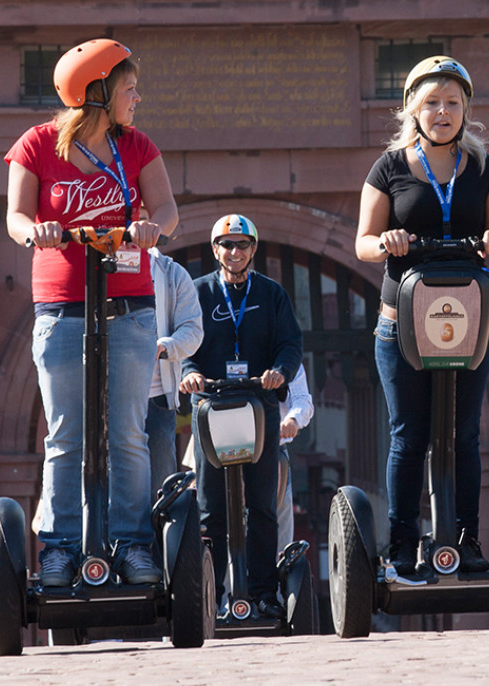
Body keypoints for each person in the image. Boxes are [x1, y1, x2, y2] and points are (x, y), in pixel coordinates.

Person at [5, 39, 179, 587]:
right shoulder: (36, 146)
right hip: (61, 307)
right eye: (128, 88)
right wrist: (37, 229)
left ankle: (132, 546)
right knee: (65, 433)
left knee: (128, 431)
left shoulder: (138, 146)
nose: (137, 97)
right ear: (97, 92)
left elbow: (168, 210)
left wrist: (155, 226)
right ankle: (58, 547)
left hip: (128, 305)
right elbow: (14, 215)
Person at [355, 55, 489, 575]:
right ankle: (402, 545)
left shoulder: (486, 169)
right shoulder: (389, 168)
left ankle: (466, 543)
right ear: (412, 110)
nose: (442, 112)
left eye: (452, 102)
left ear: (466, 109)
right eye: (432, 103)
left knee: (464, 432)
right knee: (410, 434)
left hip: (467, 320)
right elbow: (361, 243)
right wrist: (385, 241)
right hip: (401, 320)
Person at [179, 214, 303, 619]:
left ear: (254, 249)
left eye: (243, 245)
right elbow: (186, 343)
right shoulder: (198, 293)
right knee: (211, 509)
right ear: (215, 250)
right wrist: (189, 372)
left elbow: (290, 344)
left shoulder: (271, 294)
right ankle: (211, 597)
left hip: (259, 404)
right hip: (211, 407)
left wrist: (280, 372)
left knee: (263, 506)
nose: (235, 252)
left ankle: (264, 594)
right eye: (227, 245)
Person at [146, 247, 204, 494]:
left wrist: (164, 346)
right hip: (110, 398)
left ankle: (157, 534)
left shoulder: (171, 273)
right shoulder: (101, 264)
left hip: (157, 397)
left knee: (160, 487)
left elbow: (192, 330)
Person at [276, 363, 314, 556]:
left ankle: (279, 577)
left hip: (272, 448)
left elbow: (303, 399)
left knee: (279, 513)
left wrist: (293, 419)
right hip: (227, 448)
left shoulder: (284, 354)